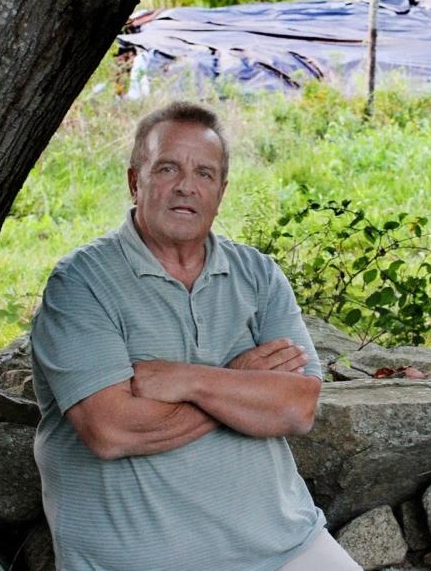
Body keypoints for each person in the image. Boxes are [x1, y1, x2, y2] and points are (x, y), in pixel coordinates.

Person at [30, 102, 362, 570]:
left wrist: (195, 380)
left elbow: (297, 406)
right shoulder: (82, 282)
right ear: (134, 181)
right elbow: (111, 430)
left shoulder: (257, 274)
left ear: (220, 192)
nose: (187, 185)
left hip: (286, 544)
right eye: (168, 168)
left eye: (204, 173)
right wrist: (243, 384)